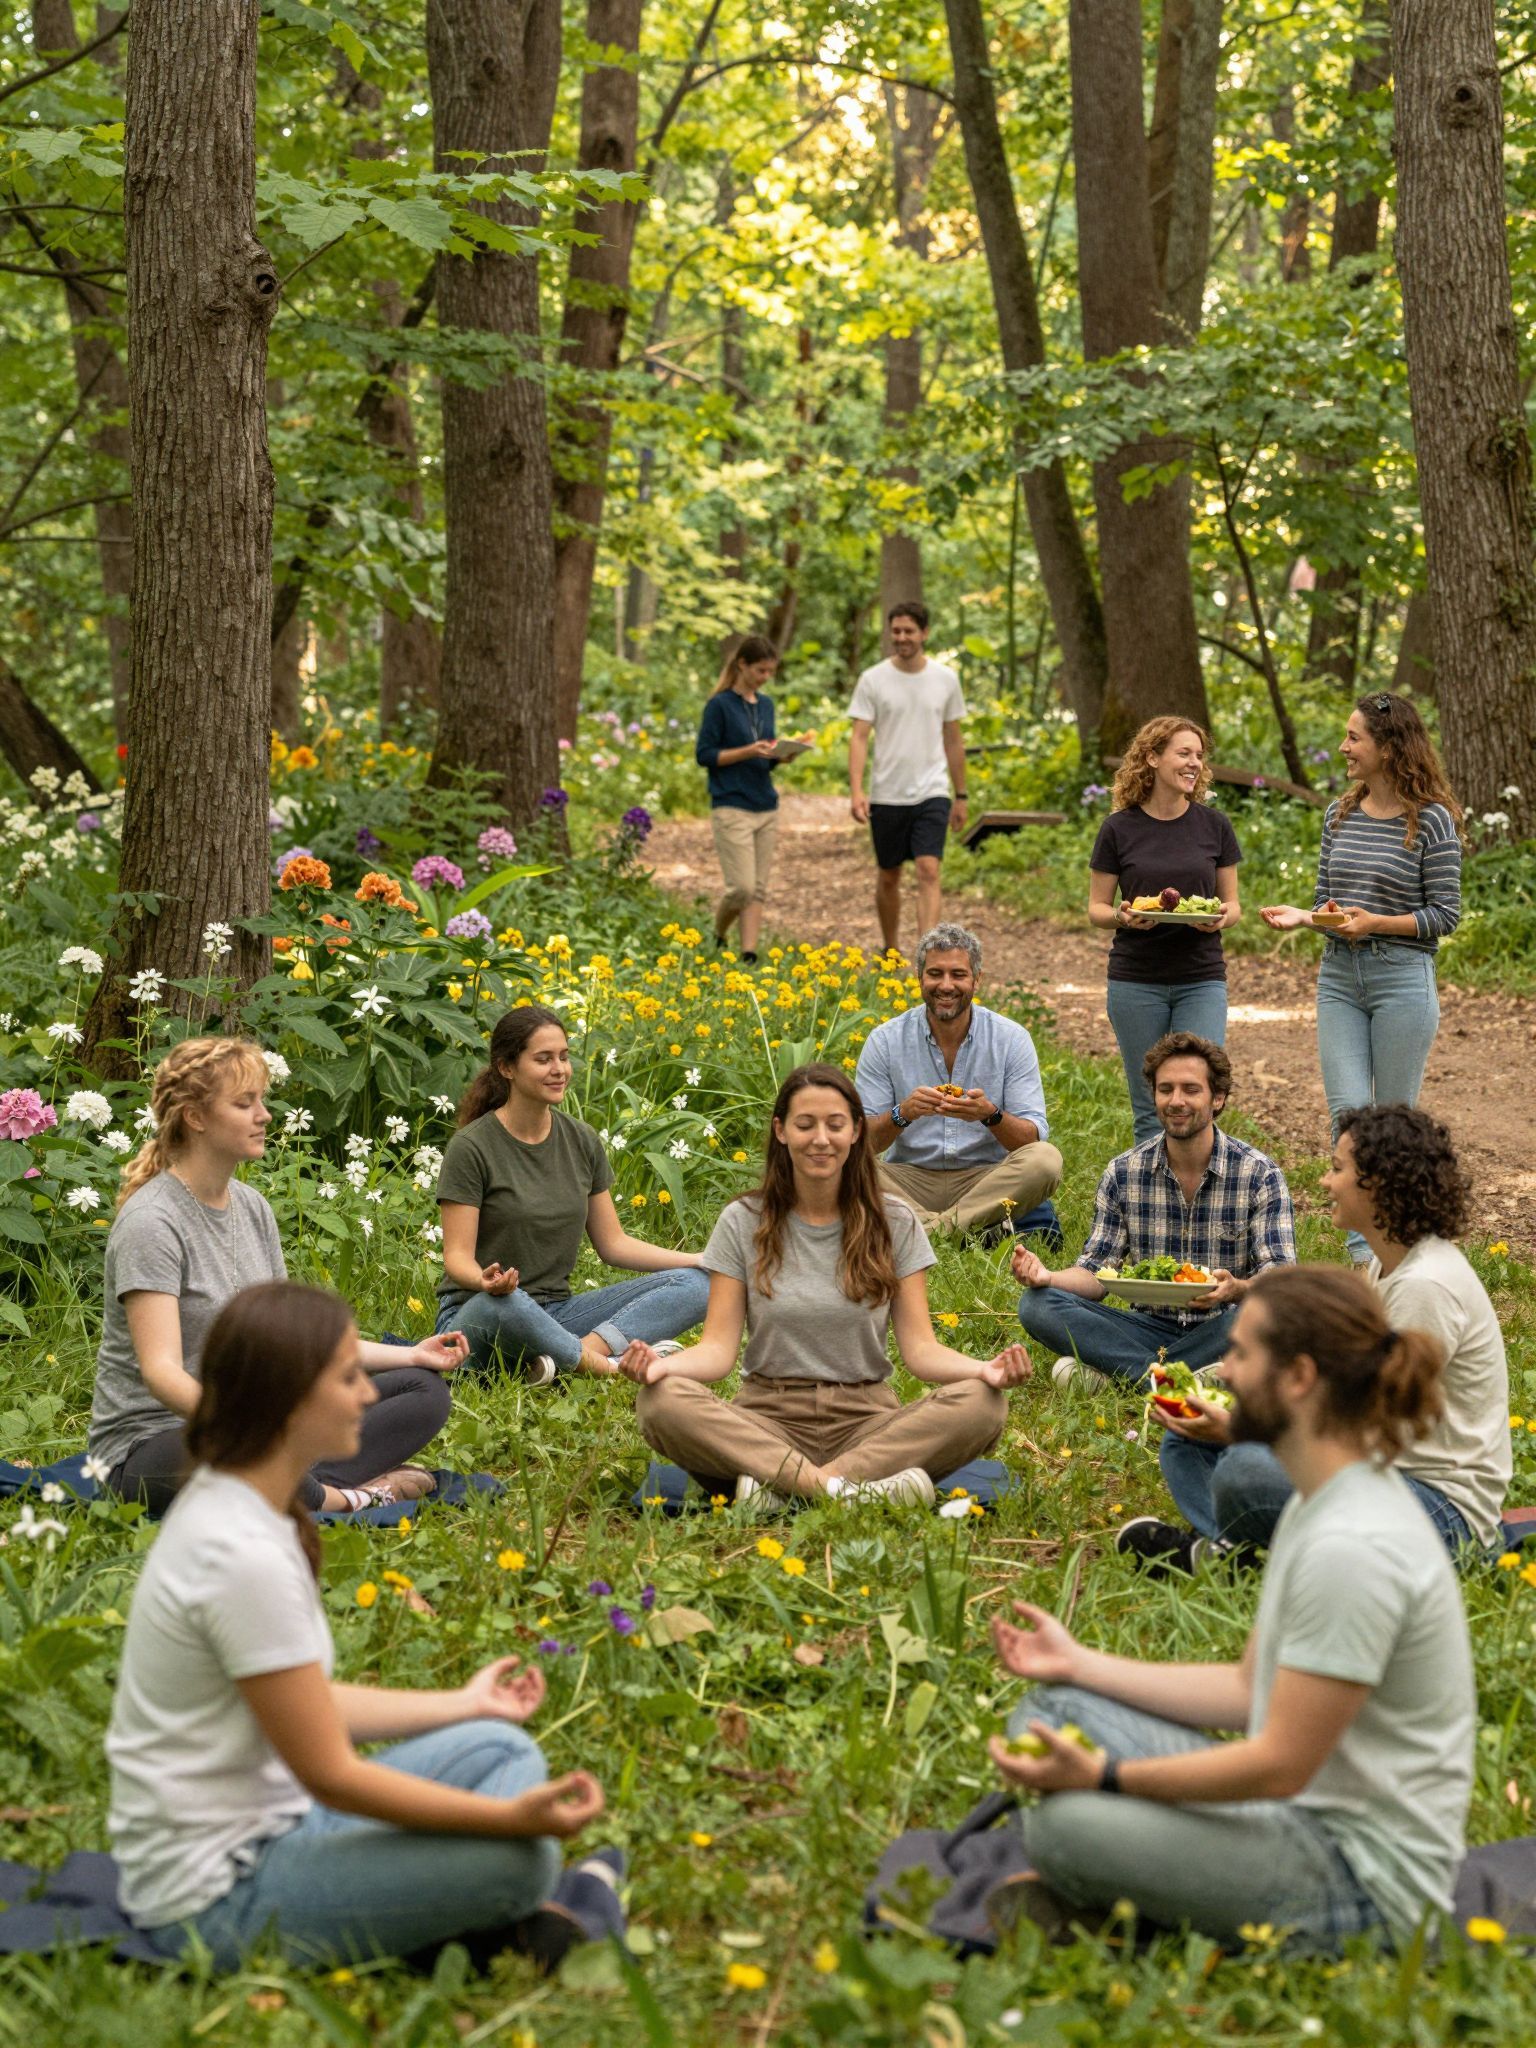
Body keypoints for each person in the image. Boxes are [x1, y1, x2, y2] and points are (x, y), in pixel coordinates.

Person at [107, 1280, 606, 1968]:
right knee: (525, 1860)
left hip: (283, 1815)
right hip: (216, 1899)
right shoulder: (239, 1551)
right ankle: (485, 1909)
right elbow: (333, 1775)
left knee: (499, 1745)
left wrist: (466, 1703)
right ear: (287, 1401)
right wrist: (505, 1821)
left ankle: (437, 1900)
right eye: (347, 1379)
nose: (369, 1394)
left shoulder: (251, 1502)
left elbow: (305, 1703)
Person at [985, 1265, 1474, 1956]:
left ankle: (1136, 1901)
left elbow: (1279, 1765)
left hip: (1361, 1877)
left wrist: (1107, 1779)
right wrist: (1078, 1663)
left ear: (1298, 1377)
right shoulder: (1319, 1498)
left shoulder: (1353, 1544)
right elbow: (1248, 1691)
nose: (1225, 1371)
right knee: (1054, 1708)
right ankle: (1150, 1876)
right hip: (1294, 1806)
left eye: (1241, 1353)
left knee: (1062, 1830)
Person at [620, 1063, 1030, 1508]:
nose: (821, 1139)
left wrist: (984, 1371)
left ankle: (786, 1488)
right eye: (805, 1125)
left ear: (856, 1132)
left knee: (984, 1403)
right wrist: (660, 1369)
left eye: (835, 1125)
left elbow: (921, 1350)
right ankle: (847, 1491)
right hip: (765, 1422)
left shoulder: (895, 1221)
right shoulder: (742, 1221)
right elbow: (717, 1350)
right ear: (781, 1131)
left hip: (867, 1424)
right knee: (660, 1401)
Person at [87, 1037, 462, 1517]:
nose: (264, 1115)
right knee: (237, 1454)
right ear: (195, 1117)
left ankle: (297, 1483)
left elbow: (293, 1341)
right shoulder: (152, 1222)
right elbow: (161, 1373)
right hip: (157, 1444)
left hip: (260, 1425)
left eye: (261, 1101)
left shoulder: (252, 1207)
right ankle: (347, 1497)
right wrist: (250, 1430)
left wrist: (412, 1354)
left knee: (422, 1389)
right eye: (245, 1103)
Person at [1128, 1103, 1509, 1571]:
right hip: (1381, 1476)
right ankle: (1239, 1552)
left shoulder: (1425, 1286)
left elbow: (1373, 1432)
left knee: (1246, 1471)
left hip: (1439, 1510)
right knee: (1186, 1438)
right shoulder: (1388, 1264)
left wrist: (1244, 1428)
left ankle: (1242, 1558)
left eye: (1337, 1169)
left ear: (1378, 1183)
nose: (1325, 1182)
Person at [1261, 691, 1462, 1259]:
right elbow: (1329, 901)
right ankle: (1364, 1256)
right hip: (1339, 978)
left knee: (1395, 1124)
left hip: (1403, 978)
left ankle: (1401, 1246)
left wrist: (1378, 922)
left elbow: (1445, 914)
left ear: (1389, 748)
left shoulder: (1432, 821)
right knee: (1348, 1115)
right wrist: (1309, 916)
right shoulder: (1339, 814)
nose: (1343, 747)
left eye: (1354, 738)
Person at [436, 1005, 710, 1379]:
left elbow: (613, 1244)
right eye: (543, 1059)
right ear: (507, 1067)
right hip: (481, 1315)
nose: (559, 1069)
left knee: (699, 1285)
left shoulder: (581, 1139)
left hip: (558, 1314)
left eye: (564, 1057)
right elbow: (456, 1257)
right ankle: (606, 1368)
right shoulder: (472, 1147)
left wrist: (698, 1259)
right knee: (505, 1304)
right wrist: (484, 1281)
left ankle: (564, 1359)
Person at [1013, 1033, 1295, 1389]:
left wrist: (1236, 1289)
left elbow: (1282, 1279)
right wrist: (1048, 1277)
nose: (1176, 1101)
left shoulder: (1259, 1174)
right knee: (1037, 1305)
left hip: (1223, 1326)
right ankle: (1176, 1378)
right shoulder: (1123, 1173)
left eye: (1190, 1089)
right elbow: (1096, 1273)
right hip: (1145, 1327)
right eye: (1166, 1089)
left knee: (1272, 1316)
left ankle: (1123, 1374)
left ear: (1218, 1098)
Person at [853, 922, 1062, 1242]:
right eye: (935, 974)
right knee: (841, 1160)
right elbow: (863, 1143)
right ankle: (961, 1231)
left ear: (977, 980)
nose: (946, 985)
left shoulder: (1010, 1038)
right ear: (919, 977)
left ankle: (926, 1234)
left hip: (985, 1181)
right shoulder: (885, 1040)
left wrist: (990, 1115)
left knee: (1045, 1160)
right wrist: (902, 1114)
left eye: (958, 975)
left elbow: (1030, 1139)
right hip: (909, 1181)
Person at [1087, 717, 1242, 1143]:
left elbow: (1233, 906)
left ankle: (1200, 1184)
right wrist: (1121, 916)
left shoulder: (1214, 825)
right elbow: (1097, 909)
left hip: (1201, 978)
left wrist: (1219, 917)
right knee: (1149, 1107)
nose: (1194, 763)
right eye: (1183, 753)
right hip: (1136, 980)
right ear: (1153, 758)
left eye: (1199, 755)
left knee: (1199, 1097)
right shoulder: (1118, 828)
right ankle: (1150, 1187)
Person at [848, 602, 967, 955]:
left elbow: (953, 739)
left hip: (933, 790)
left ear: (924, 633)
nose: (901, 637)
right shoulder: (873, 679)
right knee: (889, 876)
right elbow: (859, 737)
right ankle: (890, 948)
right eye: (896, 631)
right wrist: (856, 791)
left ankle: (926, 956)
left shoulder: (945, 679)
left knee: (929, 869)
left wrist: (961, 795)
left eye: (909, 631)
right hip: (887, 792)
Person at [695, 633, 781, 962]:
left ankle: (749, 953)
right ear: (742, 665)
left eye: (770, 671)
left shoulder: (766, 705)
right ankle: (718, 934)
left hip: (765, 804)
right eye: (760, 670)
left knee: (758, 888)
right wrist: (748, 751)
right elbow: (705, 755)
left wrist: (782, 755)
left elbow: (765, 756)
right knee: (741, 887)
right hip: (731, 804)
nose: (765, 677)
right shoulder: (719, 705)